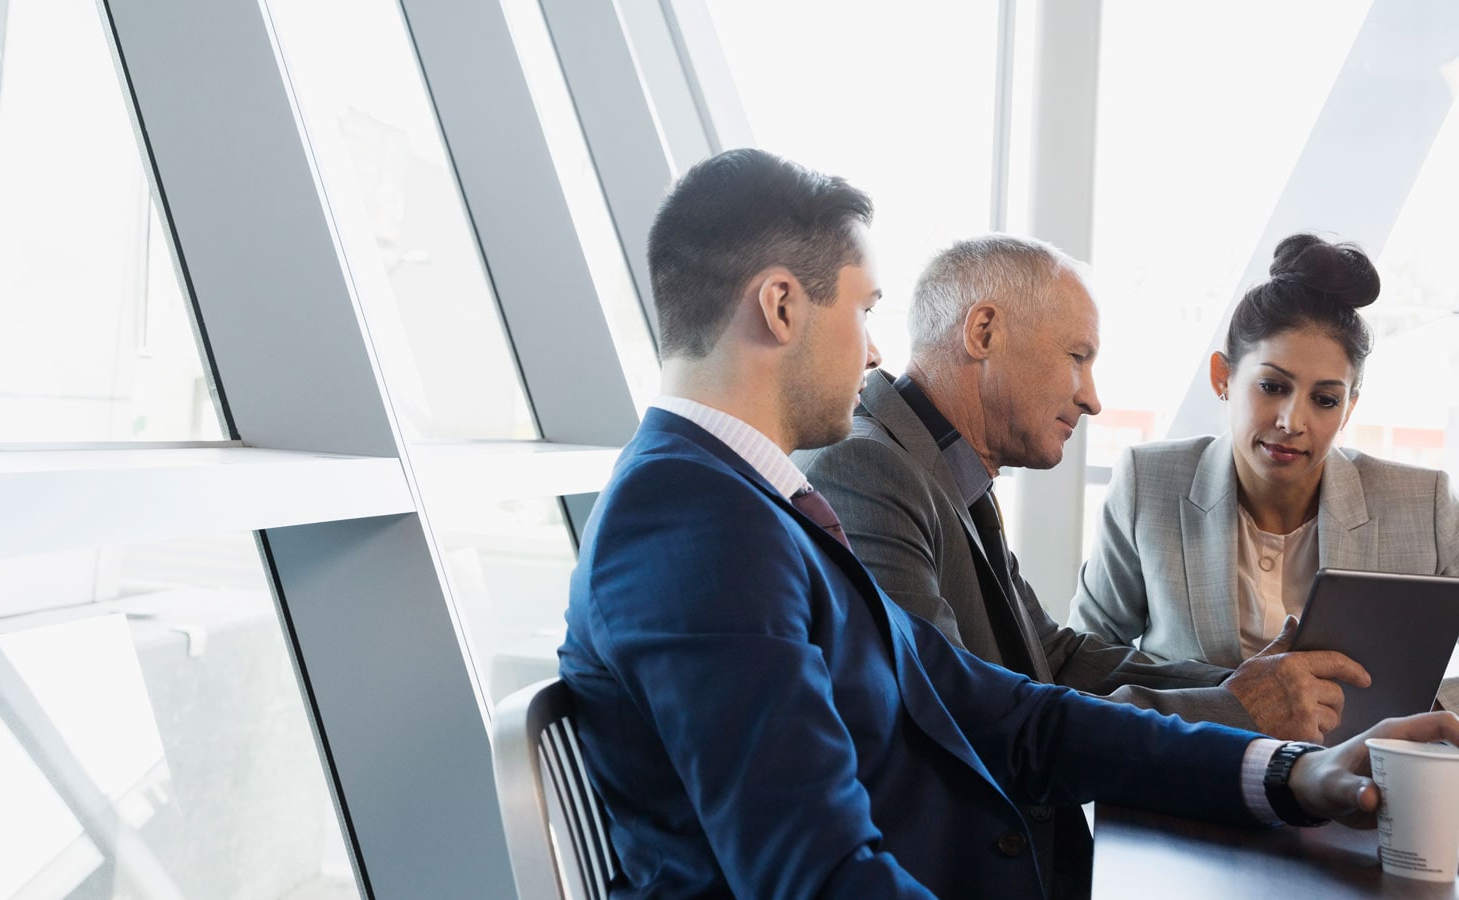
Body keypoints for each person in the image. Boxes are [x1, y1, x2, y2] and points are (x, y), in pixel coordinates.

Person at [558, 149, 1458, 899]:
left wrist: (1290, 774)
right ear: (784, 305)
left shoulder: (752, 507)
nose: (877, 349)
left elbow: (1012, 714)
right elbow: (821, 876)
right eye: (864, 310)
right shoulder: (692, 525)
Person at [792, 234, 1368, 894]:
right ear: (983, 330)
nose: (1092, 397)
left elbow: (1052, 656)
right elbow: (953, 720)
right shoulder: (869, 469)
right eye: (1078, 357)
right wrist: (1233, 706)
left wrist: (1249, 680)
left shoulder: (942, 471)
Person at [1067, 235, 1459, 679]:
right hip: (1199, 747)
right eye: (1273, 387)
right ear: (1223, 377)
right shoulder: (1149, 484)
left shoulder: (1423, 506)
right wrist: (1222, 700)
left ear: (1349, 407)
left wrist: (1423, 724)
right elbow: (1085, 661)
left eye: (1325, 400)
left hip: (1362, 750)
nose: (1293, 421)